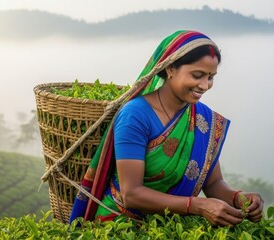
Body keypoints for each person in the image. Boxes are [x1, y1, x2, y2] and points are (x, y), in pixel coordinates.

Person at [69, 30, 264, 226]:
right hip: (120, 222)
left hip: (172, 224)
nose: (205, 85)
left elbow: (213, 184)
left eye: (211, 77)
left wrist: (239, 198)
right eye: (197, 75)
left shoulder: (202, 119)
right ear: (170, 68)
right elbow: (132, 194)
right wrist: (197, 206)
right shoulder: (136, 116)